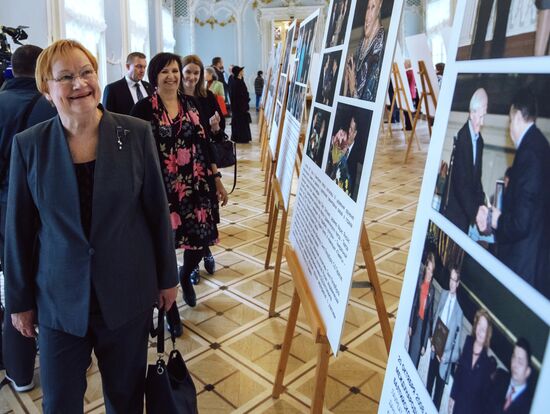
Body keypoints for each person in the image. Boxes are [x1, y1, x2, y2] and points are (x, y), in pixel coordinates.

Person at [4, 39, 178, 413]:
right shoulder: (30, 145)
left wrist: (168, 277)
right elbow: (18, 228)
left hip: (125, 293)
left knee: (126, 396)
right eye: (64, 77)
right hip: (58, 300)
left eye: (86, 72)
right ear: (47, 91)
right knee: (60, 402)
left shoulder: (134, 133)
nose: (79, 83)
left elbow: (155, 211)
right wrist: (18, 302)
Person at [131, 53, 228, 336]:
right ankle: (170, 309)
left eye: (175, 70)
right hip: (160, 191)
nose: (172, 76)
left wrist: (217, 179)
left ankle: (186, 276)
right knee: (162, 249)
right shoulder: (142, 109)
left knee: (198, 243)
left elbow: (204, 142)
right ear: (155, 76)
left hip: (196, 187)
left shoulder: (191, 103)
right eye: (165, 72)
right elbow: (135, 156)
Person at [0, 44, 57, 392]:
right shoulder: (46, 108)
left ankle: (15, 369)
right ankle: (37, 367)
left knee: (10, 289)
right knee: (29, 286)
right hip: (27, 214)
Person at [477, 88, 550, 298]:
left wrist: (496, 220)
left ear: (517, 116)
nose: (509, 128)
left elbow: (521, 221)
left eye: (510, 120)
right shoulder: (540, 146)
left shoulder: (529, 154)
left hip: (523, 265)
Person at [179, 54, 228, 286]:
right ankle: (193, 263)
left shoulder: (208, 97)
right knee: (190, 218)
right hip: (180, 168)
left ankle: (205, 250)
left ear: (201, 76)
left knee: (205, 215)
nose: (191, 77)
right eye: (188, 72)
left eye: (196, 73)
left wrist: (215, 127)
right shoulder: (174, 98)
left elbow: (217, 137)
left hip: (205, 164)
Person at [442, 88, 487, 234]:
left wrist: (482, 206)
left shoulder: (479, 142)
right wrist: (476, 212)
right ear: (472, 113)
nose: (483, 122)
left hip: (466, 213)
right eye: (480, 117)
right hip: (455, 211)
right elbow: (460, 183)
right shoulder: (462, 139)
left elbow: (476, 179)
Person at [426, 267, 464, 410]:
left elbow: (457, 351)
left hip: (444, 362)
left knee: (436, 400)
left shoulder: (459, 311)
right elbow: (436, 319)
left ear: (458, 283)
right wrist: (433, 339)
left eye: (455, 280)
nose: (452, 283)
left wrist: (446, 357)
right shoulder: (443, 294)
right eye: (451, 279)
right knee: (426, 390)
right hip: (434, 352)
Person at [449, 309, 493, 414]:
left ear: (487, 333)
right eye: (479, 325)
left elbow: (483, 400)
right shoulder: (468, 343)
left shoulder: (487, 364)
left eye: (484, 329)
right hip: (458, 406)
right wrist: (452, 397)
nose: (480, 331)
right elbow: (459, 373)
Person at [342, 0, 385, 102]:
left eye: (373, 7)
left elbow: (366, 99)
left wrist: (352, 83)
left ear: (379, 7)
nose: (367, 17)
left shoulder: (379, 46)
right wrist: (348, 76)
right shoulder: (362, 43)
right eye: (367, 8)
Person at [484, 338, 534, 414]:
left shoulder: (530, 406)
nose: (514, 364)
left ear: (527, 371)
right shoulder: (499, 377)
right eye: (514, 357)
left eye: (520, 362)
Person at [408, 251, 436, 368]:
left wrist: (425, 344)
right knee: (409, 356)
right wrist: (409, 325)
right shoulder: (419, 281)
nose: (430, 274)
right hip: (415, 323)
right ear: (425, 268)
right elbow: (413, 304)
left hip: (422, 328)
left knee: (415, 362)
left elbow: (429, 319)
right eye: (429, 269)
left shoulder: (433, 290)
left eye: (432, 271)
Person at [229, 66, 252, 143]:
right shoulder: (237, 82)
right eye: (241, 71)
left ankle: (242, 137)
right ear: (239, 72)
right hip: (239, 107)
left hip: (240, 107)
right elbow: (239, 96)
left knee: (241, 122)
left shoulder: (239, 80)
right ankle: (241, 138)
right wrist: (245, 100)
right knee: (240, 123)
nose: (243, 72)